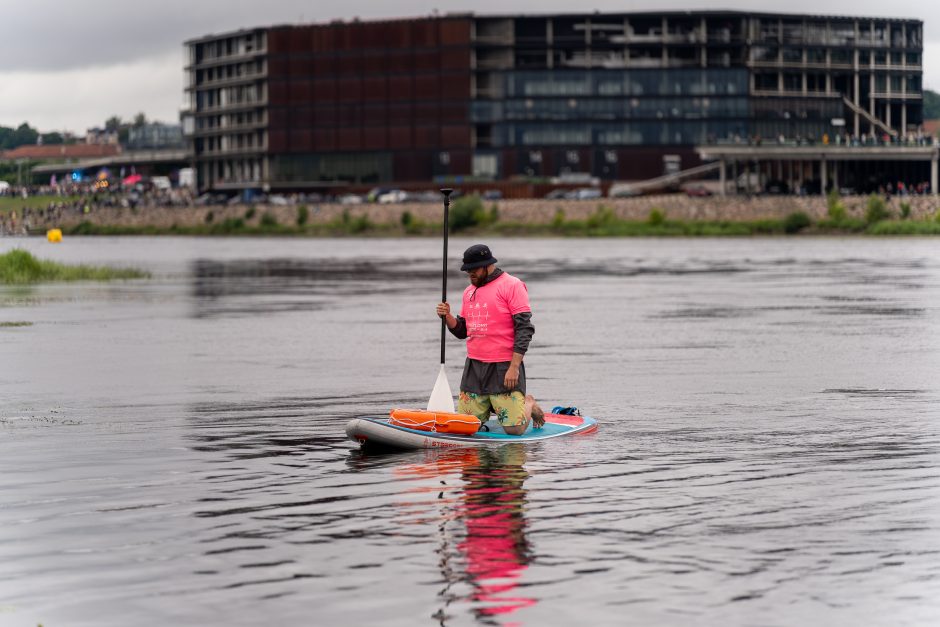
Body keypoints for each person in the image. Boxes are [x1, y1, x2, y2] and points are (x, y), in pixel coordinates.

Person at [436, 244, 536, 435]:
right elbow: (462, 331)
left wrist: (514, 367)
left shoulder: (512, 285)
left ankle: (529, 403)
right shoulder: (469, 292)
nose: (470, 275)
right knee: (464, 428)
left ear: (487, 265)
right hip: (474, 368)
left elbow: (525, 329)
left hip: (503, 366)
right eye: (467, 271)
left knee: (514, 430)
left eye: (473, 270)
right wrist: (448, 317)